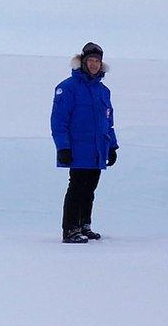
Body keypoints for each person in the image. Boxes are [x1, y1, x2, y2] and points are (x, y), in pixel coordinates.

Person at [51, 42, 119, 243]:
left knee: (90, 188)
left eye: (97, 61)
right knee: (77, 187)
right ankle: (70, 229)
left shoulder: (103, 91)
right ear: (82, 62)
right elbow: (59, 121)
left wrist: (112, 146)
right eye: (90, 60)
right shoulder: (67, 88)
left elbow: (108, 121)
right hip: (78, 149)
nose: (94, 65)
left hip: (97, 149)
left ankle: (84, 224)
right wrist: (63, 147)